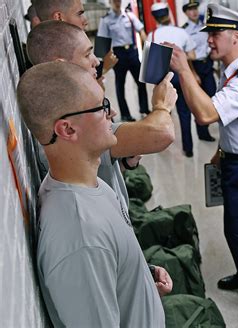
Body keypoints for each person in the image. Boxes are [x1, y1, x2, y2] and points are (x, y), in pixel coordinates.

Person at [17, 61, 172, 327]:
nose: (110, 113)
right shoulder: (80, 235)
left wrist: (137, 282)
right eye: (101, 107)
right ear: (67, 129)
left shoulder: (89, 184)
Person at [167, 3, 238, 323]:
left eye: (215, 34)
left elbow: (205, 114)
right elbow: (229, 121)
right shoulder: (231, 72)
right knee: (235, 230)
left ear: (235, 37)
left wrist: (185, 71)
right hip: (235, 160)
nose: (210, 40)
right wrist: (222, 148)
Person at [26, 20, 177, 211]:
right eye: (87, 54)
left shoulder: (68, 110)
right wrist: (162, 105)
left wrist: (125, 161)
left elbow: (101, 171)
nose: (96, 61)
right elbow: (161, 133)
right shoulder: (75, 120)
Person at [147, 3, 211, 157]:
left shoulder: (152, 35)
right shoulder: (181, 32)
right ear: (169, 15)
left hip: (163, 79)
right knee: (184, 112)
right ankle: (188, 148)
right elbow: (193, 56)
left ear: (155, 18)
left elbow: (151, 63)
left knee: (163, 111)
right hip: (181, 75)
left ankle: (162, 144)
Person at [98, 0, 149, 121]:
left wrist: (148, 48)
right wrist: (102, 64)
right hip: (118, 54)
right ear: (110, 2)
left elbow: (141, 30)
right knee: (120, 85)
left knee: (141, 81)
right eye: (115, 1)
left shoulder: (129, 16)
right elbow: (102, 43)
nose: (117, 3)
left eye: (119, 1)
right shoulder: (105, 20)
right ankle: (125, 114)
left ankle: (145, 108)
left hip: (132, 52)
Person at [182, 0, 216, 141]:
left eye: (195, 8)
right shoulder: (184, 30)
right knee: (199, 101)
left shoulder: (205, 25)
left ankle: (210, 124)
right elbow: (187, 55)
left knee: (212, 96)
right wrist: (193, 74)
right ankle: (202, 133)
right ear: (185, 12)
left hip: (207, 65)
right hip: (195, 67)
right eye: (190, 9)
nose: (194, 12)